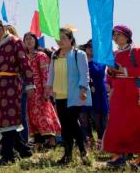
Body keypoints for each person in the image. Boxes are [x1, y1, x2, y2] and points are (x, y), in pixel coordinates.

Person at [0, 18, 35, 165]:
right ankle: (24, 150)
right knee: (4, 119)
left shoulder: (15, 41)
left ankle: (8, 156)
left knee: (9, 119)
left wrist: (30, 84)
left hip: (11, 86)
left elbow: (24, 63)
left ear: (0, 28)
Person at [46, 27, 91, 165]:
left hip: (75, 94)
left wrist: (83, 89)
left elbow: (84, 74)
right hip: (59, 94)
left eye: (64, 38)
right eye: (58, 38)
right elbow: (51, 73)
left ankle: (83, 152)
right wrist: (48, 87)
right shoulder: (55, 55)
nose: (60, 41)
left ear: (71, 39)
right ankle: (68, 154)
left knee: (72, 123)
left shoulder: (79, 54)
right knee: (65, 126)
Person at [102, 25, 140, 168]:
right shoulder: (113, 54)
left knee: (135, 124)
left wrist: (125, 70)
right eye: (114, 34)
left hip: (134, 92)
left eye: (119, 34)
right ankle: (119, 156)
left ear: (127, 36)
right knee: (117, 123)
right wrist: (111, 74)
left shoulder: (136, 51)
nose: (115, 37)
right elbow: (110, 76)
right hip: (117, 93)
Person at [23, 32, 60, 148]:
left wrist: (46, 90)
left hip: (40, 89)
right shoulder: (23, 57)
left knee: (44, 114)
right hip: (27, 90)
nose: (29, 41)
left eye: (31, 39)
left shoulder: (41, 55)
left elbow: (45, 74)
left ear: (35, 41)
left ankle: (52, 140)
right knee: (31, 115)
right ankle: (38, 141)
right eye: (26, 39)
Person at [81, 40, 108, 149]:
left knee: (98, 118)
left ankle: (100, 141)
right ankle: (89, 139)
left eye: (93, 47)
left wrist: (88, 64)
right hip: (84, 91)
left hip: (97, 92)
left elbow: (99, 72)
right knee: (83, 117)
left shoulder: (101, 60)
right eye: (88, 47)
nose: (90, 49)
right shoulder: (81, 59)